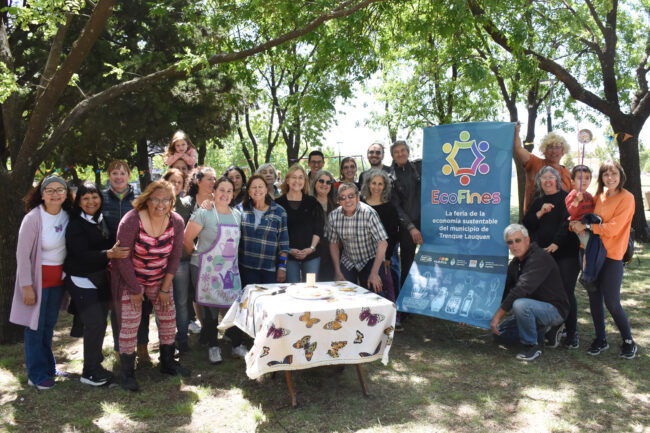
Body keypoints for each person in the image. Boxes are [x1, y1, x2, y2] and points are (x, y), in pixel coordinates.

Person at [111, 180, 189, 391]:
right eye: (156, 199)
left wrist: (164, 289)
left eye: (166, 200)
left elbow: (175, 257)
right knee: (130, 324)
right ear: (147, 199)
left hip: (160, 278)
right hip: (131, 280)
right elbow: (122, 258)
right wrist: (135, 288)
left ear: (172, 202)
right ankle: (127, 373)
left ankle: (168, 363)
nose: (161, 204)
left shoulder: (176, 221)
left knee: (168, 318)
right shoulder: (131, 220)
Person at [63, 181, 130, 386]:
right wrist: (109, 254)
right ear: (79, 202)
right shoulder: (76, 225)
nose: (91, 201)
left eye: (94, 197)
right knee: (95, 324)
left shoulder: (100, 220)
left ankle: (96, 365)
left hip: (99, 279)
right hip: (81, 279)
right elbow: (81, 255)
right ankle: (89, 372)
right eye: (85, 198)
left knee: (100, 323)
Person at [10, 175, 73, 390]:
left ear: (66, 194)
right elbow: (22, 255)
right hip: (37, 283)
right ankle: (36, 375)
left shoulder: (68, 215)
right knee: (34, 328)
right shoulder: (33, 218)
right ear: (42, 194)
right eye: (50, 190)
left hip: (58, 282)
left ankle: (48, 367)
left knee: (47, 327)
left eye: (60, 190)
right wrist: (26, 286)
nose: (55, 194)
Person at [570, 161, 637, 359]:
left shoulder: (627, 198)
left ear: (621, 175)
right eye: (606, 174)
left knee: (612, 301)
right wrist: (576, 218)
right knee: (594, 297)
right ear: (601, 178)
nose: (610, 178)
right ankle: (601, 339)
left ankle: (628, 341)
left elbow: (614, 228)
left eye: (614, 173)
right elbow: (580, 216)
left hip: (612, 256)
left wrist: (587, 227)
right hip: (591, 253)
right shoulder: (599, 196)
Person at [184, 177, 247, 363]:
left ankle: (236, 345)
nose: (225, 194)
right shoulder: (204, 213)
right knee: (210, 310)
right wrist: (197, 255)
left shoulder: (237, 215)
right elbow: (186, 239)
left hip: (229, 271)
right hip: (206, 269)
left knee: (232, 307)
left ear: (233, 194)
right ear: (214, 192)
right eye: (221, 190)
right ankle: (213, 346)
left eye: (229, 191)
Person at [490, 224, 569, 361]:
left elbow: (521, 290)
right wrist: (477, 315)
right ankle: (545, 330)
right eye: (510, 242)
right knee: (499, 335)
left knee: (520, 304)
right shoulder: (515, 263)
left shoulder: (539, 257)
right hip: (532, 308)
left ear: (527, 240)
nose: (514, 245)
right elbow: (503, 291)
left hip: (554, 309)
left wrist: (497, 316)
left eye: (518, 240)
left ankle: (531, 346)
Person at [101, 160, 152, 367]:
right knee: (118, 308)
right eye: (115, 173)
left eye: (122, 173)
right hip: (112, 261)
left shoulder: (139, 199)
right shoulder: (102, 198)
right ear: (109, 175)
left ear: (129, 175)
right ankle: (119, 349)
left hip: (139, 260)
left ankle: (143, 347)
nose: (119, 177)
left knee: (142, 304)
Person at [523, 167, 580, 349]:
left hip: (566, 253)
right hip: (545, 255)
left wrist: (556, 243)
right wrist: (540, 212)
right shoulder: (538, 201)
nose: (547, 180)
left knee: (566, 291)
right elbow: (527, 223)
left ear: (557, 180)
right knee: (548, 291)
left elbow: (567, 222)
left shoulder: (567, 198)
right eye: (543, 178)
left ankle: (572, 332)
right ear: (539, 182)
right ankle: (554, 327)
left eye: (550, 177)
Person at [326, 182, 388, 292]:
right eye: (343, 197)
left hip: (370, 259)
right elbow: (333, 244)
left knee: (374, 292)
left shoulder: (369, 213)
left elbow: (383, 243)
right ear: (338, 200)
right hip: (348, 260)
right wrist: (337, 270)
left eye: (351, 196)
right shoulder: (333, 216)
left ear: (358, 197)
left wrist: (374, 273)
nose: (347, 200)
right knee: (343, 292)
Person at [180, 166, 218, 343]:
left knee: (210, 294)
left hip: (214, 258)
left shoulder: (218, 200)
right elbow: (184, 232)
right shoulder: (188, 202)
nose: (213, 182)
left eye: (214, 178)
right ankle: (203, 328)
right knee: (196, 295)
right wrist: (193, 253)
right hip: (191, 256)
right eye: (209, 179)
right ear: (198, 181)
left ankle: (209, 330)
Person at [237, 175, 290, 285]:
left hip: (269, 270)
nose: (257, 190)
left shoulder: (279, 211)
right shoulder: (240, 209)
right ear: (249, 191)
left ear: (266, 189)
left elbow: (284, 243)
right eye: (253, 187)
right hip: (246, 268)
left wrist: (282, 267)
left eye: (260, 186)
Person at [276, 165, 324, 283]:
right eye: (294, 177)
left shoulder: (312, 202)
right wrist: (288, 250)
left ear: (305, 181)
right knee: (292, 288)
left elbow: (318, 229)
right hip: (288, 256)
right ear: (287, 180)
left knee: (311, 288)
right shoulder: (278, 204)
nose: (297, 181)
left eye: (300, 177)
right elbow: (276, 233)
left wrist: (311, 249)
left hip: (311, 255)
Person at [164, 168, 193, 353]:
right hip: (161, 262)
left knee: (181, 303)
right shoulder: (157, 203)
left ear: (183, 186)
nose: (175, 185)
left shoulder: (186, 204)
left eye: (179, 182)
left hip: (182, 261)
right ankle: (165, 342)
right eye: (172, 181)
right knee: (164, 304)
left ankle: (182, 338)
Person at [513, 123, 572, 212]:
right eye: (550, 147)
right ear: (544, 150)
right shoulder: (534, 162)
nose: (554, 151)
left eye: (557, 147)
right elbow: (518, 149)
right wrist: (516, 132)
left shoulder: (567, 173)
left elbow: (572, 200)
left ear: (563, 151)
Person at [360, 169, 400, 302]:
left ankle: (387, 310)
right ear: (368, 184)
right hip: (362, 252)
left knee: (381, 285)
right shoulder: (360, 203)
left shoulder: (390, 207)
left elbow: (393, 234)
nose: (376, 187)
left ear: (385, 186)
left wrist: (387, 257)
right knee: (364, 285)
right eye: (373, 183)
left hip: (381, 254)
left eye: (380, 184)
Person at [389, 140, 422, 286]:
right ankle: (405, 297)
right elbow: (396, 206)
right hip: (406, 227)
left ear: (408, 152)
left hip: (428, 222)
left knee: (434, 262)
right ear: (393, 156)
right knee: (407, 266)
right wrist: (411, 227)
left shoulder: (420, 166)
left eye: (403, 150)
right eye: (396, 152)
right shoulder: (390, 177)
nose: (400, 154)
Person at [565, 165, 595, 270]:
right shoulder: (572, 195)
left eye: (587, 178)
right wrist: (576, 201)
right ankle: (587, 270)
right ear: (573, 181)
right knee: (588, 246)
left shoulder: (589, 196)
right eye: (580, 178)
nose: (584, 181)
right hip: (578, 225)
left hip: (588, 225)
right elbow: (570, 213)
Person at [310, 170, 338, 281]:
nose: (324, 184)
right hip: (313, 251)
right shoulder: (308, 202)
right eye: (321, 181)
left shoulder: (336, 204)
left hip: (332, 251)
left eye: (328, 182)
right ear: (315, 183)